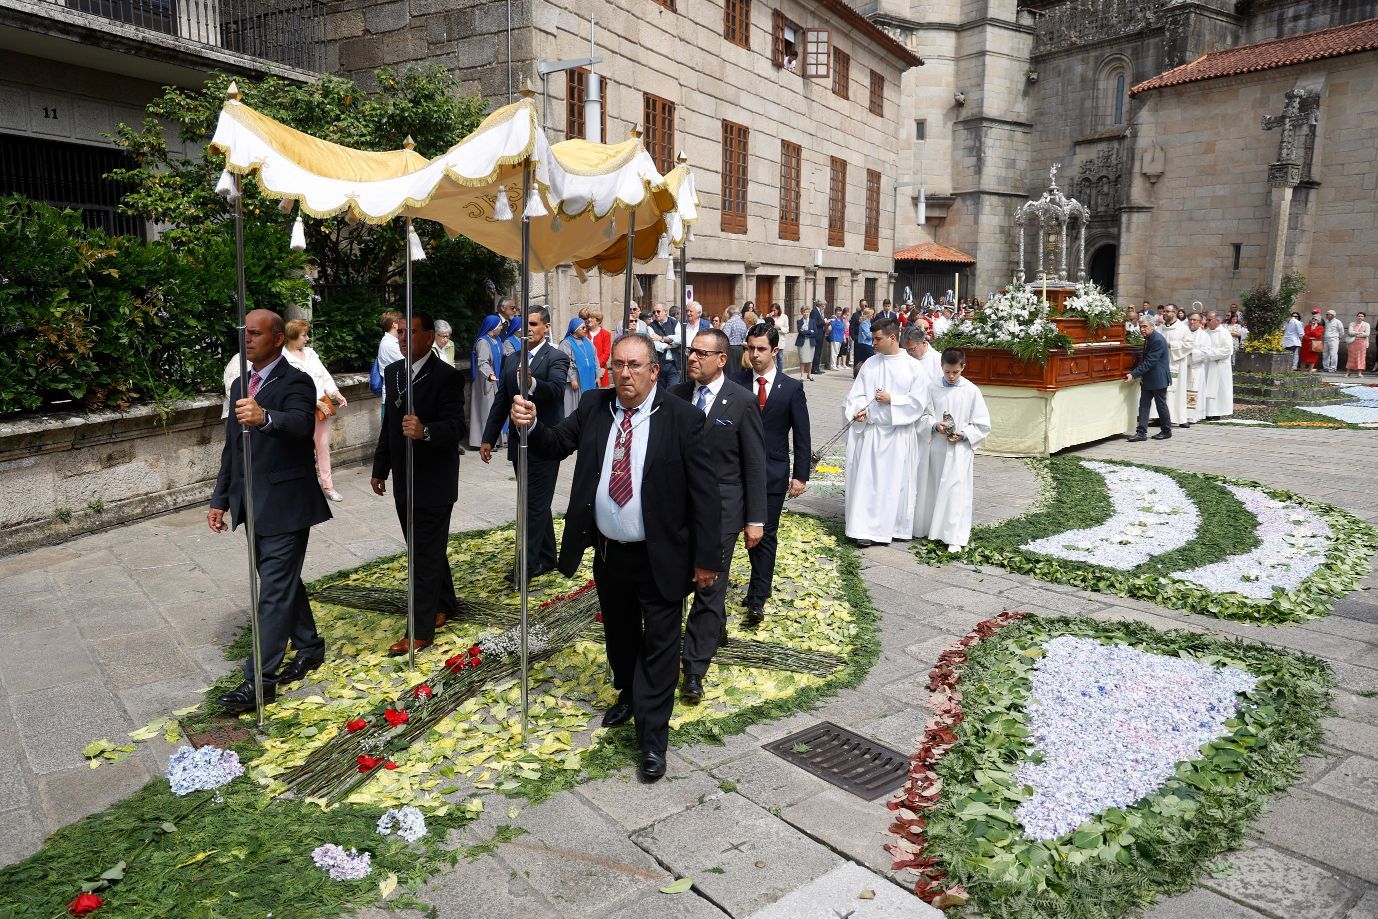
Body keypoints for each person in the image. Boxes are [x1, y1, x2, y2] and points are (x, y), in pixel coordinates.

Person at [511, 333, 720, 783]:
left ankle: (652, 739)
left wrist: (707, 560)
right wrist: (528, 424)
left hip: (662, 555)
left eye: (634, 366)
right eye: (618, 364)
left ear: (653, 371)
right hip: (609, 553)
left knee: (662, 645)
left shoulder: (683, 419)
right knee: (621, 637)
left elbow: (706, 495)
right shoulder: (593, 406)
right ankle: (628, 691)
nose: (624, 374)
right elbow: (553, 444)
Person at [209, 310, 332, 710]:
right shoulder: (240, 385)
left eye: (256, 333)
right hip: (250, 502)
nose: (247, 339)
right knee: (283, 582)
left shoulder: (297, 380)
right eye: (244, 332)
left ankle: (259, 680)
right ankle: (310, 645)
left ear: (278, 338)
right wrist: (220, 498)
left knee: (274, 590)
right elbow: (232, 447)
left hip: (287, 502)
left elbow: (299, 424)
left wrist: (265, 418)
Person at [672, 328, 766, 703]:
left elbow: (754, 465)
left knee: (709, 588)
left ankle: (694, 669)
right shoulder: (676, 395)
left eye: (701, 353)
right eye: (690, 351)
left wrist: (755, 519)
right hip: (678, 512)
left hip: (723, 514)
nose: (692, 358)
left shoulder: (740, 401)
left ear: (722, 359)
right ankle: (708, 633)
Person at [370, 311, 465, 655]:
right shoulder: (395, 372)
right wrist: (380, 466)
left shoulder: (446, 376)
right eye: (401, 332)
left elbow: (457, 426)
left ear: (429, 336)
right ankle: (445, 602)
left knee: (423, 556)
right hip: (403, 480)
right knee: (423, 548)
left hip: (434, 481)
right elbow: (389, 425)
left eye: (412, 332)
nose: (404, 338)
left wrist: (426, 431)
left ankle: (419, 629)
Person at [482, 308, 570, 586]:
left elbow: (556, 390)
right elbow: (501, 400)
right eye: (525, 324)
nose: (528, 329)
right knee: (532, 501)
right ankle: (547, 556)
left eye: (534, 324)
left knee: (533, 505)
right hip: (519, 444)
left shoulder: (556, 357)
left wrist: (531, 382)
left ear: (546, 327)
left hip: (545, 442)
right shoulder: (511, 359)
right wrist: (488, 436)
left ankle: (526, 566)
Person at [731, 322, 810, 626]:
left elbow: (802, 435)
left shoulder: (791, 388)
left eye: (761, 349)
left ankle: (757, 598)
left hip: (772, 474)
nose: (754, 354)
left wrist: (800, 475)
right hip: (735, 474)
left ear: (775, 350)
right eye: (750, 348)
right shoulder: (735, 382)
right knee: (730, 533)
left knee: (765, 536)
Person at [842, 318, 926, 546]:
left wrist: (893, 400)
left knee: (893, 485)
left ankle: (892, 527)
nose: (873, 342)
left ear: (892, 337)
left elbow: (919, 403)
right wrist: (858, 410)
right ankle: (865, 530)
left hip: (898, 435)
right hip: (873, 433)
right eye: (873, 338)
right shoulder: (870, 363)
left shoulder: (913, 367)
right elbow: (856, 394)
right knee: (868, 484)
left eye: (878, 338)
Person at [914, 348, 991, 552]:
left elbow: (982, 424)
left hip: (959, 450)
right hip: (937, 448)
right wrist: (934, 425)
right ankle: (932, 529)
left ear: (963, 367)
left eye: (955, 372)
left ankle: (954, 535)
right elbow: (921, 415)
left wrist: (964, 434)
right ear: (941, 367)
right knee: (934, 488)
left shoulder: (971, 391)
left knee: (956, 491)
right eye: (947, 372)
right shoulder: (932, 388)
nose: (951, 376)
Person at [282, 319, 347, 502]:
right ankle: (302, 485)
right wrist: (314, 402)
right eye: (304, 335)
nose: (307, 338)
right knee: (300, 448)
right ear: (293, 336)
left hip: (321, 407)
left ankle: (328, 485)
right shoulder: (284, 358)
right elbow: (291, 388)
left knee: (323, 447)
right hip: (299, 410)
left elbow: (324, 375)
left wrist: (336, 393)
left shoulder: (310, 353)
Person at [1124, 315, 1172, 442]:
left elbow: (1150, 362)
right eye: (1140, 327)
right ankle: (1141, 433)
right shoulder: (1149, 338)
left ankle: (1166, 431)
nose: (1142, 329)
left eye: (1145, 326)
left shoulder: (1156, 339)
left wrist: (1133, 374)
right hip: (1150, 377)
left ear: (1152, 326)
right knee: (1144, 405)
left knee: (1160, 405)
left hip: (1158, 378)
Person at [469, 315, 505, 448]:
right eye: (499, 325)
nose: (501, 327)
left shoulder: (497, 340)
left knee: (495, 410)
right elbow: (482, 362)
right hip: (485, 380)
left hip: (496, 379)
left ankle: (496, 440)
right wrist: (490, 375)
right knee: (486, 410)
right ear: (492, 327)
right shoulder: (483, 342)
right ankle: (485, 441)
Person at [1156, 308, 1193, 429]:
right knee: (1161, 390)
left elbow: (1189, 345)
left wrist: (1171, 345)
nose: (1164, 313)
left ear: (1175, 313)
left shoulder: (1183, 329)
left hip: (1176, 363)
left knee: (1177, 391)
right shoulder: (1160, 328)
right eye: (1164, 311)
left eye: (1167, 311)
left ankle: (1180, 418)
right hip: (1162, 364)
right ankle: (1159, 417)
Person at [558, 317, 599, 417]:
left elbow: (595, 359)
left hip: (589, 378)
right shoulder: (566, 343)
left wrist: (598, 376)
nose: (586, 330)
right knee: (574, 406)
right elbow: (565, 362)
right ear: (575, 329)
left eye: (585, 328)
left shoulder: (588, 342)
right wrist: (572, 379)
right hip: (577, 379)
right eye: (583, 328)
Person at [647, 302, 681, 387]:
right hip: (659, 364)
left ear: (665, 312)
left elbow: (679, 339)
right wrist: (670, 345)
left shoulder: (675, 323)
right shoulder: (651, 326)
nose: (656, 314)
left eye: (658, 311)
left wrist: (661, 338)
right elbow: (654, 344)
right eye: (654, 312)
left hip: (674, 364)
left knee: (672, 390)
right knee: (659, 391)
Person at [1184, 312, 1210, 424]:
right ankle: (1180, 414)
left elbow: (1206, 353)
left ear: (1200, 322)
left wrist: (1190, 351)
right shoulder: (1183, 333)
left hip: (1196, 368)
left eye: (1195, 320)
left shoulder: (1205, 336)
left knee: (1193, 391)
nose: (1192, 322)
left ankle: (1192, 416)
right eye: (1190, 319)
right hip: (1183, 368)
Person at [376, 310, 403, 407]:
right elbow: (410, 362)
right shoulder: (389, 344)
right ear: (394, 324)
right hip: (393, 398)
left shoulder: (393, 342)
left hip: (396, 395)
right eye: (401, 322)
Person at [586, 309, 613, 387]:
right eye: (588, 317)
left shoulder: (605, 334)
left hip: (600, 368)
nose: (589, 319)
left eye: (591, 317)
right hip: (587, 368)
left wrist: (596, 366)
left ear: (598, 320)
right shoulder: (584, 333)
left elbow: (606, 353)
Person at [795, 302, 818, 382]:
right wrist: (809, 332)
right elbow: (800, 332)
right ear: (802, 313)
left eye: (807, 312)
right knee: (802, 359)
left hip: (811, 343)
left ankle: (809, 374)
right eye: (804, 312)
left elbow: (815, 332)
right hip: (802, 342)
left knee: (810, 360)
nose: (806, 313)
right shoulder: (799, 321)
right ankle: (801, 376)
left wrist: (807, 333)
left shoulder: (813, 321)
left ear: (809, 312)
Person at [723, 305, 748, 373]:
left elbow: (725, 337)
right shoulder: (743, 322)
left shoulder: (730, 322)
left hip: (731, 349)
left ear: (730, 313)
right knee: (740, 371)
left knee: (731, 371)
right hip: (741, 349)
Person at [1346, 312, 1370, 378]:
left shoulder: (1366, 324)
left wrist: (1355, 333)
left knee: (1361, 358)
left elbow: (1367, 334)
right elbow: (1350, 332)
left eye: (1362, 316)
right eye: (1359, 316)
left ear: (1364, 318)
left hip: (1362, 343)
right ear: (1357, 316)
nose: (1360, 317)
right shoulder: (1352, 324)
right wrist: (1360, 333)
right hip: (1352, 342)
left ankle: (1360, 373)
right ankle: (1348, 372)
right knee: (1351, 357)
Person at [809, 298, 828, 376]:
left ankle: (817, 367)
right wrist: (824, 322)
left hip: (820, 334)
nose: (824, 307)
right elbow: (814, 323)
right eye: (824, 305)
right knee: (816, 352)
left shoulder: (819, 311)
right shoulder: (814, 311)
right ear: (821, 305)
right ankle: (814, 369)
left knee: (819, 352)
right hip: (817, 335)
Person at [854, 306, 876, 371]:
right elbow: (868, 334)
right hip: (864, 344)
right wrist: (874, 335)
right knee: (871, 358)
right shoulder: (864, 323)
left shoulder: (868, 322)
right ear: (869, 315)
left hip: (867, 344)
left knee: (866, 359)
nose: (872, 316)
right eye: (872, 314)